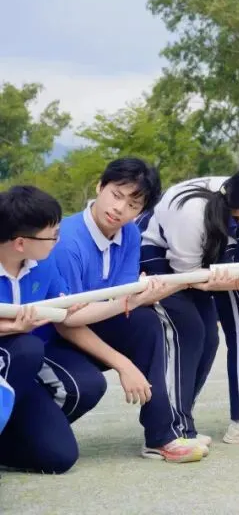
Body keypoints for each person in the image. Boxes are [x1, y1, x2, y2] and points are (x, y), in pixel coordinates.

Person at [32, 158, 206, 462]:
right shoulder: (67, 242)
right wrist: (123, 364)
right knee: (86, 386)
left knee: (146, 322)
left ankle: (161, 436)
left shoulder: (130, 235)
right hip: (50, 341)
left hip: (91, 326)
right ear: (100, 187)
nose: (120, 209)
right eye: (116, 195)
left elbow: (124, 303)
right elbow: (66, 322)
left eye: (133, 205)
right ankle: (24, 428)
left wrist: (148, 294)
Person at [139, 167, 239, 447]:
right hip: (160, 261)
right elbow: (190, 278)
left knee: (209, 340)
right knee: (187, 333)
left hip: (197, 269)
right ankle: (163, 435)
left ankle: (181, 421)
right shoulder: (192, 212)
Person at [0, 185, 107, 473]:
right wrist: (10, 329)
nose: (57, 241)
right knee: (25, 347)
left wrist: (131, 300)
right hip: (15, 358)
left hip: (17, 374)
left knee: (58, 457)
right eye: (53, 235)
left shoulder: (42, 266)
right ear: (20, 243)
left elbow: (69, 312)